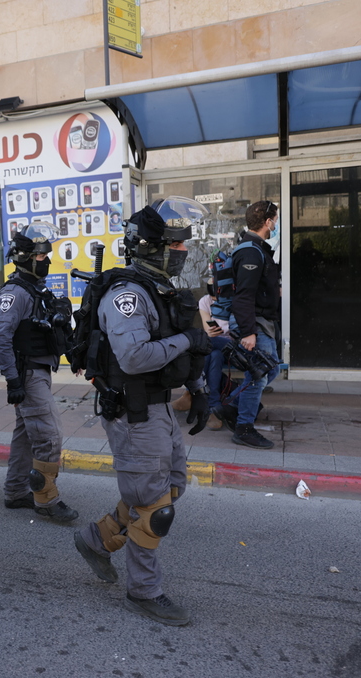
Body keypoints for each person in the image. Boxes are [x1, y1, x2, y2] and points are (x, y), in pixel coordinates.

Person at [73, 198, 212, 627]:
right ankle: (144, 591)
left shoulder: (162, 288)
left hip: (161, 408)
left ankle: (97, 540)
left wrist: (198, 388)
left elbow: (177, 343)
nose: (183, 252)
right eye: (176, 245)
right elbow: (133, 356)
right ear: (152, 246)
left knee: (170, 488)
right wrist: (190, 341)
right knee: (154, 507)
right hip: (134, 412)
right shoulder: (127, 295)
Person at [0, 221, 77, 523]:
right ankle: (47, 498)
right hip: (28, 374)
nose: (47, 260)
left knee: (26, 435)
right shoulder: (15, 293)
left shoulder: (34, 289)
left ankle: (15, 492)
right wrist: (12, 380)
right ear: (25, 257)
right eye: (41, 256)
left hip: (38, 371)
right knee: (49, 436)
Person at [227, 200, 282, 449]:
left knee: (270, 370)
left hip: (261, 321)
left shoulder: (257, 248)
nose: (277, 223)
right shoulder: (250, 251)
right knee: (258, 375)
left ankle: (231, 408)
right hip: (254, 323)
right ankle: (244, 428)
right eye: (276, 219)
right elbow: (244, 295)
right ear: (268, 222)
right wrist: (248, 332)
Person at [196, 285, 229, 431]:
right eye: (213, 297)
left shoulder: (233, 300)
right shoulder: (205, 301)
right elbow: (208, 329)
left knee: (200, 343)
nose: (216, 300)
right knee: (214, 355)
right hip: (214, 346)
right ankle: (214, 405)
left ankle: (194, 392)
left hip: (232, 345)